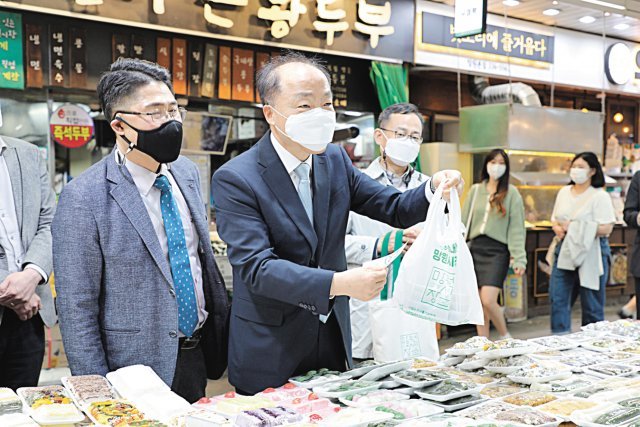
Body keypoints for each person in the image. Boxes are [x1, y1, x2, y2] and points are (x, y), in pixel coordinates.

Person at [211, 52, 463, 395]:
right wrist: (339, 283)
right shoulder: (237, 178)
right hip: (270, 344)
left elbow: (393, 206)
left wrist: (433, 187)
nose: (320, 115)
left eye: (327, 104)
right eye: (304, 106)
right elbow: (257, 268)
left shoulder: (333, 159)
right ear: (270, 113)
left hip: (331, 337)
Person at [52, 58, 229, 403]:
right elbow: (77, 308)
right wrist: (97, 394)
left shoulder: (187, 173)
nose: (170, 121)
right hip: (130, 370)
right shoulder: (84, 196)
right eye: (154, 112)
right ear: (119, 126)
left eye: (173, 109)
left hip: (194, 352)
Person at [345, 102, 432, 360]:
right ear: (380, 136)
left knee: (415, 377)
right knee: (364, 378)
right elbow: (333, 243)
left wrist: (427, 243)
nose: (408, 141)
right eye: (401, 134)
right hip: (365, 305)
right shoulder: (354, 184)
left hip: (414, 305)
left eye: (415, 137)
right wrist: (379, 244)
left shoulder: (429, 188)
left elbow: (451, 240)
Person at [0, 133, 56, 390]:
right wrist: (13, 290)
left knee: (21, 409)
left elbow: (50, 222)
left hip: (30, 314)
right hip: (25, 300)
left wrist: (32, 274)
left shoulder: (29, 154)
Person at [462, 149, 526, 339]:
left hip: (498, 251)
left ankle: (505, 336)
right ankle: (483, 342)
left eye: (501, 163)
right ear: (486, 164)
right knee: (478, 302)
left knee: (488, 299)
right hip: (475, 249)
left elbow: (516, 228)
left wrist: (519, 258)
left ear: (506, 167)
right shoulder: (475, 191)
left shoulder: (511, 193)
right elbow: (463, 222)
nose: (496, 166)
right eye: (493, 162)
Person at [549, 152, 615, 334]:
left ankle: (592, 345)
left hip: (593, 251)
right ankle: (560, 342)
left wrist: (575, 227)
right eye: (574, 166)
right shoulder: (563, 192)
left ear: (592, 170)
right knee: (558, 299)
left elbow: (607, 228)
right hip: (565, 249)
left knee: (591, 303)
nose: (575, 170)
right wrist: (557, 227)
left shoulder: (599, 196)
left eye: (581, 167)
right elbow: (554, 219)